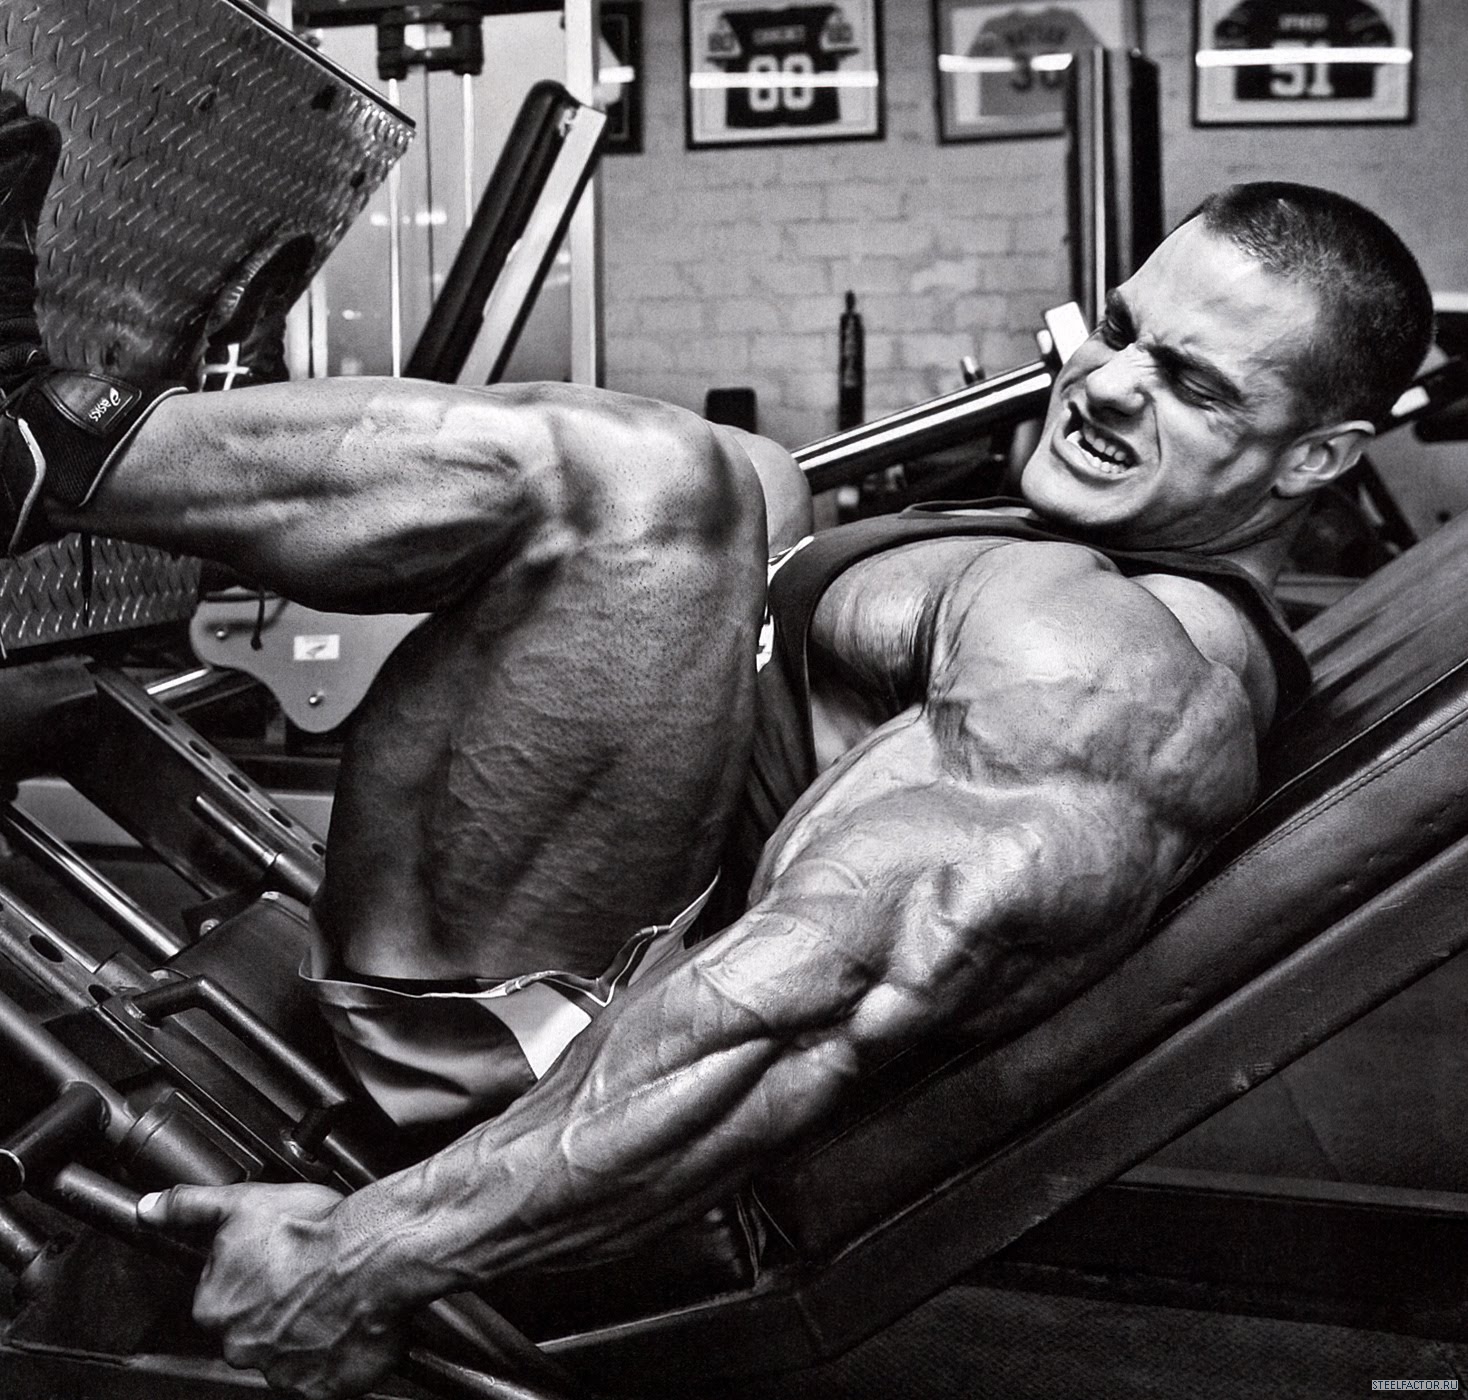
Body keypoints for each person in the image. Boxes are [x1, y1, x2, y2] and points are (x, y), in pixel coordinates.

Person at [0, 94, 1434, 1400]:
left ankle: (47, 441)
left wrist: (372, 1249)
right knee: (756, 482)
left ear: (1319, 456)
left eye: (1193, 386)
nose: (1109, 384)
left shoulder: (1118, 670)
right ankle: (138, 441)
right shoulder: (1084, 573)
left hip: (535, 1059)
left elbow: (821, 996)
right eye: (1121, 331)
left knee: (654, 484)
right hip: (574, 959)